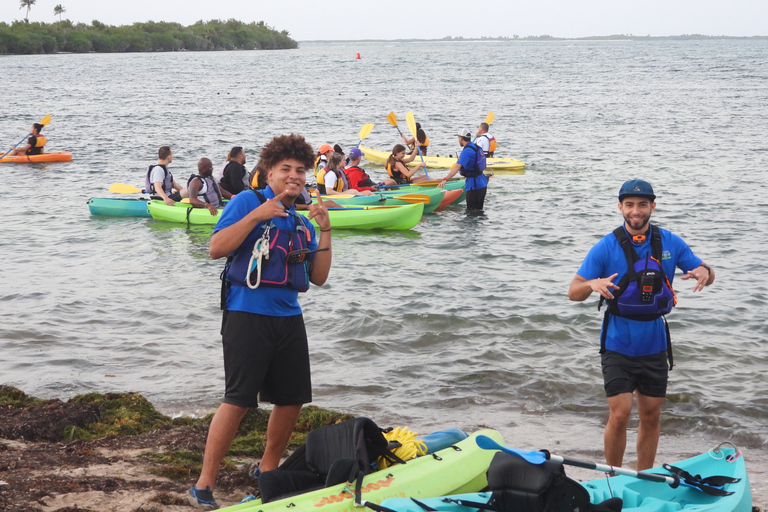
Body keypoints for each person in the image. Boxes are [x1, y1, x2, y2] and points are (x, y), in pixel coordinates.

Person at [188, 134, 332, 510]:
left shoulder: (301, 220)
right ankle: (204, 484)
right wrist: (257, 214)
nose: (294, 176)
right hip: (246, 315)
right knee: (238, 401)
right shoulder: (245, 202)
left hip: (289, 317)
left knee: (292, 400)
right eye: (286, 169)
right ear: (268, 173)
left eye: (300, 170)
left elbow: (318, 278)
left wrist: (327, 230)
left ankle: (267, 471)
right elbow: (216, 248)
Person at [567, 179, 715, 471]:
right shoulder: (606, 246)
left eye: (643, 204)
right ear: (621, 207)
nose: (636, 211)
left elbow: (705, 270)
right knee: (620, 414)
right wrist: (592, 284)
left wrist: (704, 273)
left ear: (652, 207)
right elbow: (573, 292)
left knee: (651, 415)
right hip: (617, 341)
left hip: (654, 342)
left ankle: (644, 476)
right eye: (630, 205)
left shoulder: (670, 242)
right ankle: (613, 476)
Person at [438, 128, 488, 211]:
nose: (458, 140)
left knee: (471, 212)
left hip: (474, 186)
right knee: (479, 212)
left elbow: (457, 167)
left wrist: (445, 179)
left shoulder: (466, 151)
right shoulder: (475, 146)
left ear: (461, 138)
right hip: (482, 183)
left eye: (458, 138)